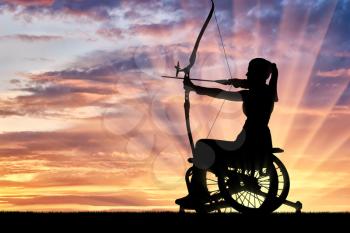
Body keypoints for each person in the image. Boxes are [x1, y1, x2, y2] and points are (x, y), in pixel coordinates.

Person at [176, 58, 279, 207]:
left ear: (257, 75)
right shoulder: (268, 92)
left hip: (246, 145)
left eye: (249, 72)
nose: (246, 74)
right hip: (261, 142)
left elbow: (221, 93)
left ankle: (200, 194)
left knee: (203, 145)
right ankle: (216, 181)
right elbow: (261, 82)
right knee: (206, 150)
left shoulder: (252, 94)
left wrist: (195, 88)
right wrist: (240, 82)